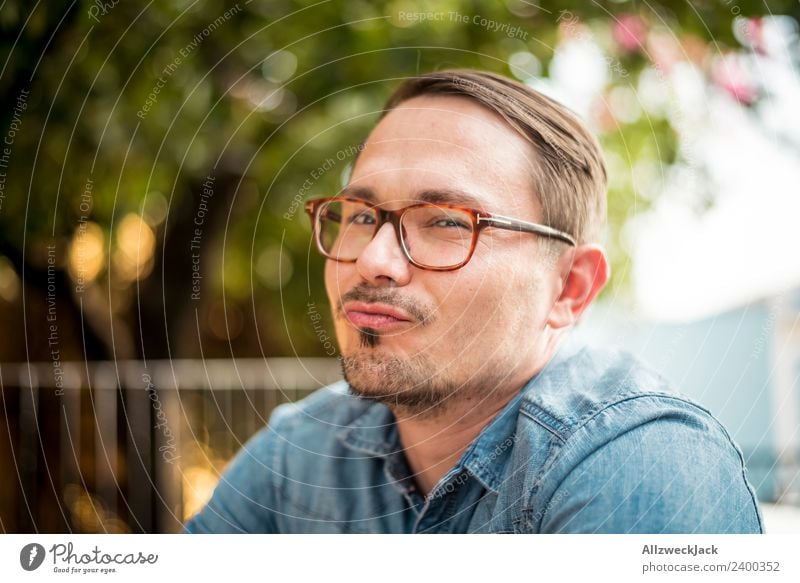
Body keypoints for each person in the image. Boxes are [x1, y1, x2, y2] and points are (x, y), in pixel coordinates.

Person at [184, 69, 763, 533]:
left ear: (569, 288)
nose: (373, 260)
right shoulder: (301, 451)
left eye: (444, 221)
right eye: (362, 216)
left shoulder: (642, 468)